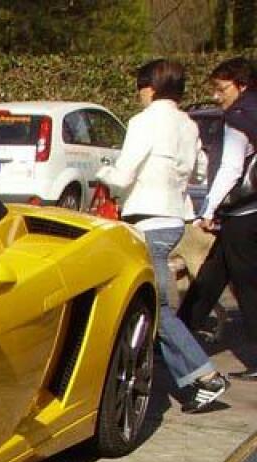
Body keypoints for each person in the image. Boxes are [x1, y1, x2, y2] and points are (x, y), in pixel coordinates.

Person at [98, 59, 230, 413]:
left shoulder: (143, 122)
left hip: (148, 220)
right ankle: (191, 380)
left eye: (140, 87)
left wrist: (102, 172)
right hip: (174, 218)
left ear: (149, 88)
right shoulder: (187, 124)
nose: (139, 94)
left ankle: (206, 377)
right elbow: (200, 170)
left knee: (158, 308)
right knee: (157, 307)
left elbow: (123, 176)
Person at [180, 57, 257, 380]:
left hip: (243, 213)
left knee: (249, 285)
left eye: (221, 88)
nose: (216, 96)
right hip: (249, 213)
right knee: (212, 275)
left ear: (241, 85)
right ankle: (180, 332)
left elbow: (230, 168)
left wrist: (207, 209)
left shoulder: (239, 117)